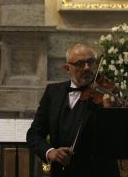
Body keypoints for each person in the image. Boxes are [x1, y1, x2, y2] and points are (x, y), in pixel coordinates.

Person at [27, 43, 120, 177]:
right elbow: (34, 134)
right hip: (62, 172)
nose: (87, 68)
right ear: (67, 68)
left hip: (99, 172)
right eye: (80, 64)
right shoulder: (53, 93)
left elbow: (116, 141)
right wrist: (50, 152)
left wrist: (109, 112)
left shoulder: (106, 94)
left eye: (91, 62)